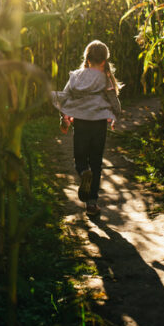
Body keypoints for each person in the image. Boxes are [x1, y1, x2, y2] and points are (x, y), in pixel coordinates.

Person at [51, 40, 122, 216]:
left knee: (80, 159)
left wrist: (64, 118)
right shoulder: (105, 78)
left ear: (87, 59)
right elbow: (114, 101)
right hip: (99, 124)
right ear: (104, 61)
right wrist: (116, 115)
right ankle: (91, 204)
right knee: (96, 162)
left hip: (81, 123)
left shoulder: (76, 76)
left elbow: (65, 98)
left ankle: (83, 172)